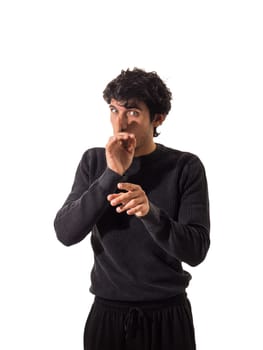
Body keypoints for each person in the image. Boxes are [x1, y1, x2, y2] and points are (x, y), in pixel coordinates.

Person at [54, 68, 210, 350]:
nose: (120, 123)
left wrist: (151, 213)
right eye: (114, 110)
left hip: (167, 317)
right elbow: (66, 232)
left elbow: (196, 250)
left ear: (158, 119)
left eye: (133, 112)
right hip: (107, 316)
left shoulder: (185, 167)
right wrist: (111, 175)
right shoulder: (93, 162)